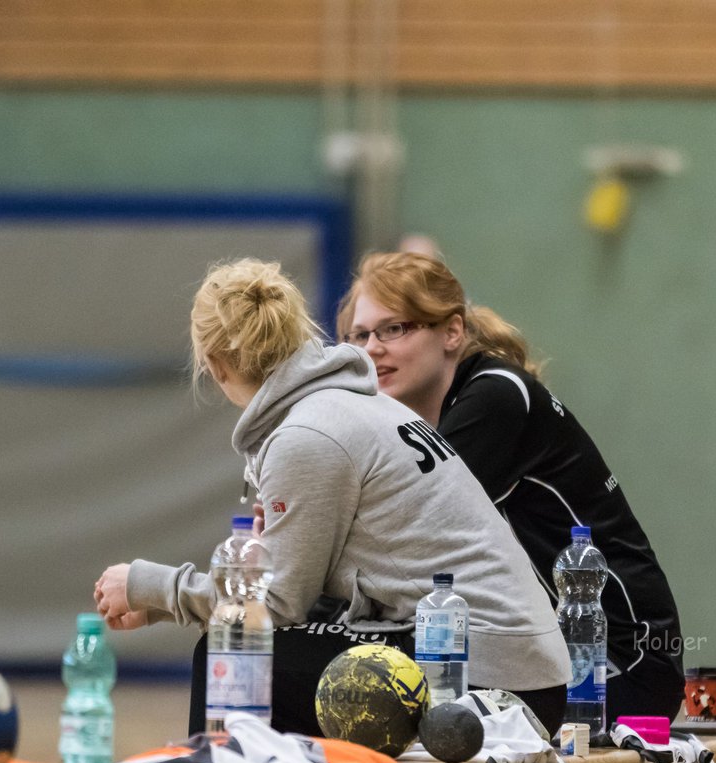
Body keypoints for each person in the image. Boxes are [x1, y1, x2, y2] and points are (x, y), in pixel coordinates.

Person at [92, 258, 571, 736]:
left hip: (482, 677)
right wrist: (160, 605)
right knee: (273, 651)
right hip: (518, 668)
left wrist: (151, 585)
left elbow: (276, 605)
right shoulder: (351, 405)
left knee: (232, 650)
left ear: (214, 365)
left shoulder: (309, 434)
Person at [335, 251, 685, 722]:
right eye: (359, 335)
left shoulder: (495, 395)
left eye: (394, 328)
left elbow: (399, 535)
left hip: (618, 665)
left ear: (452, 332)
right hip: (537, 654)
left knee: (348, 681)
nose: (372, 348)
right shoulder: (417, 417)